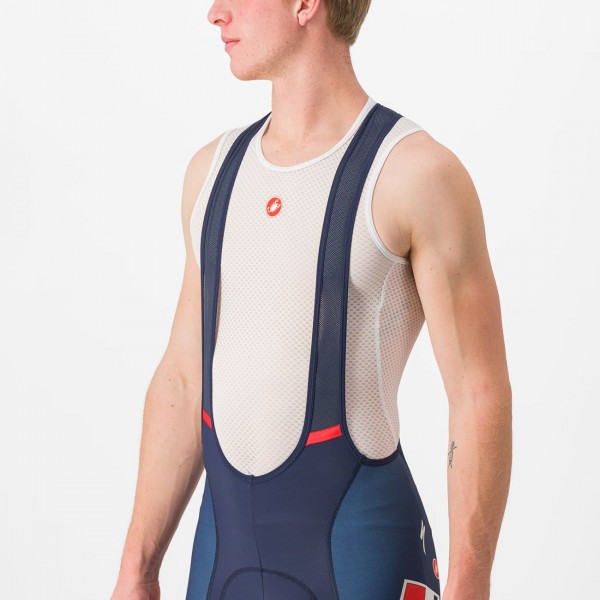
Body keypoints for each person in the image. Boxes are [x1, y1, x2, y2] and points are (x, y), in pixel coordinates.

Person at [110, 1, 512, 599]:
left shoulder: (414, 173)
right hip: (221, 564)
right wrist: (137, 569)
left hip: (359, 558)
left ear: (305, 4)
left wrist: (470, 584)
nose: (215, 13)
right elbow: (184, 378)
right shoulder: (212, 174)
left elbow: (478, 392)